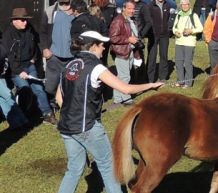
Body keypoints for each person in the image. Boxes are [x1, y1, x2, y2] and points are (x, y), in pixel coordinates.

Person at [55, 31, 163, 193]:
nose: (104, 48)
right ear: (92, 47)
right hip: (87, 127)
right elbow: (125, 89)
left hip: (66, 126)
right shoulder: (96, 67)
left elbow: (59, 97)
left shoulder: (69, 65)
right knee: (108, 165)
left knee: (74, 168)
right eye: (101, 45)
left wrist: (75, 112)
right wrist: (151, 85)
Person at [2, 7, 55, 124]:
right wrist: (19, 71)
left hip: (30, 65)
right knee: (25, 90)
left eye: (26, 19)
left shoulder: (29, 29)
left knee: (39, 89)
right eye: (22, 20)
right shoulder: (8, 35)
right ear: (14, 20)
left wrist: (33, 59)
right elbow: (9, 56)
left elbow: (35, 45)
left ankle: (47, 114)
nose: (25, 22)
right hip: (16, 69)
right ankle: (23, 116)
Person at [44, 0, 76, 111]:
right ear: (58, 1)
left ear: (70, 0)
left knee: (69, 83)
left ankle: (67, 104)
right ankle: (52, 102)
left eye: (66, 3)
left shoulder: (76, 11)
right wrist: (45, 48)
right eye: (62, 3)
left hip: (71, 56)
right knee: (51, 85)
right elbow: (43, 32)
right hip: (54, 55)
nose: (64, 5)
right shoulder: (50, 11)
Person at [141, 0, 172, 83]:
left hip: (164, 35)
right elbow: (147, 21)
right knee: (152, 57)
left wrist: (168, 29)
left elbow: (169, 19)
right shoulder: (150, 6)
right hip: (153, 35)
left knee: (164, 56)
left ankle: (163, 77)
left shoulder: (167, 5)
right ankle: (150, 78)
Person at [172, 0, 202, 88]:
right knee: (178, 62)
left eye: (186, 4)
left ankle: (188, 83)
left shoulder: (194, 15)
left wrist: (191, 31)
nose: (185, 6)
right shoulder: (178, 15)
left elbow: (200, 28)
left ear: (189, 5)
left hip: (189, 43)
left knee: (188, 63)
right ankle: (180, 81)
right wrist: (175, 32)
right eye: (183, 4)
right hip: (179, 42)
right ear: (181, 5)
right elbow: (174, 27)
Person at [0, 40, 28, 129]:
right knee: (8, 96)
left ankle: (15, 124)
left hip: (1, 75)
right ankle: (22, 121)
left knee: (2, 99)